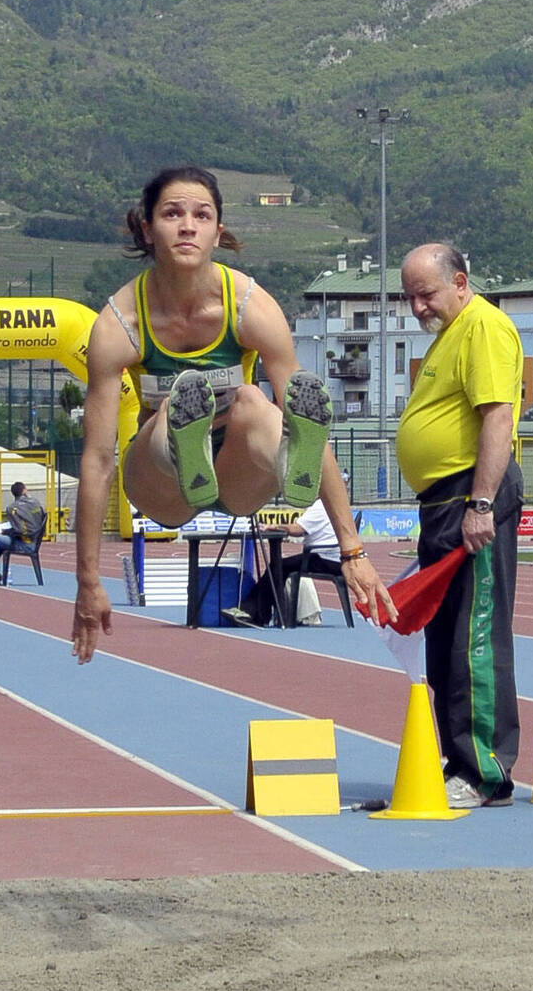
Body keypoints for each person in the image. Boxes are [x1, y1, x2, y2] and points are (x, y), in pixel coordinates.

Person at [71, 165, 396, 663]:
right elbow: (96, 460)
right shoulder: (119, 324)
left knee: (253, 402)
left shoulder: (250, 306)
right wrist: (87, 582)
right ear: (147, 229)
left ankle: (288, 464)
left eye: (201, 216)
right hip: (161, 486)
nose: (187, 225)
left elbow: (313, 427)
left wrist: (352, 551)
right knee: (163, 422)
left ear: (218, 233)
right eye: (172, 213)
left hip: (238, 475)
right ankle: (183, 442)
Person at [396, 243, 524, 810]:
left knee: (473, 635)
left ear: (461, 282)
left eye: (426, 294)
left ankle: (485, 773)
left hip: (470, 493)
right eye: (410, 299)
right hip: (442, 500)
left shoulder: (483, 327)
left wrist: (480, 504)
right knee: (444, 635)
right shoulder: (450, 335)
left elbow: (497, 415)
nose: (419, 308)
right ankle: (457, 762)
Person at [222, 497, 340, 627]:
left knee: (277, 567)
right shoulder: (335, 503)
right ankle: (261, 613)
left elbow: (298, 529)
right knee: (279, 567)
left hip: (322, 558)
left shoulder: (320, 505)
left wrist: (275, 526)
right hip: (334, 559)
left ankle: (254, 613)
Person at [0, 481, 44, 583]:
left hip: (24, 543)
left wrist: (7, 532)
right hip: (34, 541)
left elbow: (19, 530)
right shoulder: (36, 502)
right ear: (24, 490)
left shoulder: (12, 508)